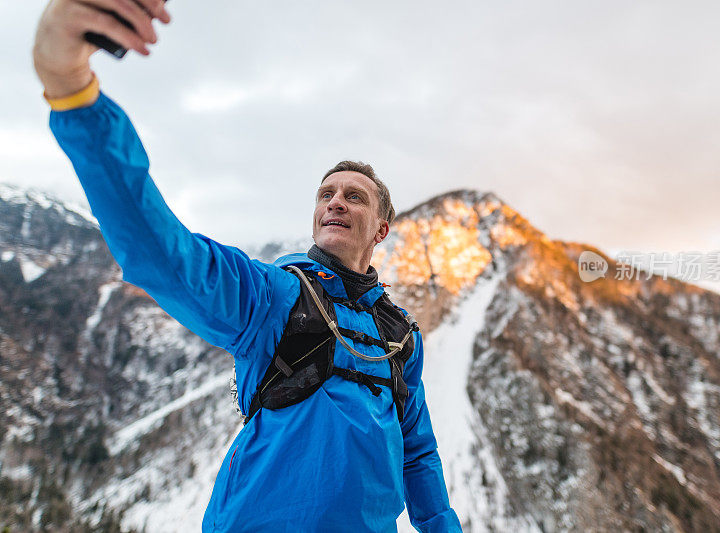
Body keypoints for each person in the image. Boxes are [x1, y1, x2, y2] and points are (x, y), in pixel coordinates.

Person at [32, 1, 462, 532]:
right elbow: (166, 256)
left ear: (380, 229)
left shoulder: (400, 338)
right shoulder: (275, 296)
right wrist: (72, 91)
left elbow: (418, 457)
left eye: (355, 196)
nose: (336, 202)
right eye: (326, 193)